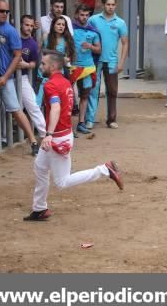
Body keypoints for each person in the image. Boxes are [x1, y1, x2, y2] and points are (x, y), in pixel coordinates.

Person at [23, 51, 123, 222]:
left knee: (62, 182)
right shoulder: (64, 82)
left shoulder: (50, 85)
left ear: (53, 66)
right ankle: (39, 208)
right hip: (63, 133)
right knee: (40, 167)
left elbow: (55, 108)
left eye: (43, 64)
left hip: (57, 136)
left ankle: (104, 170)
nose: (41, 67)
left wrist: (48, 134)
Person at [0, 0, 39, 154]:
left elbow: (18, 56)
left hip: (4, 76)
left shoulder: (11, 31)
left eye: (7, 11)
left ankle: (33, 141)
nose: (4, 14)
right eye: (1, 11)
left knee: (16, 110)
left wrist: (5, 76)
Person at [87, 0, 129, 129]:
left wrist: (121, 63)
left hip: (111, 62)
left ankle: (111, 120)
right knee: (93, 90)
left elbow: (125, 43)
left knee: (112, 91)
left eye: (113, 5)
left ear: (115, 6)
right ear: (103, 4)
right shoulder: (93, 20)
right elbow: (87, 36)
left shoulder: (120, 23)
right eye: (108, 4)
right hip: (95, 60)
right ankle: (90, 119)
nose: (110, 7)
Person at [70, 6, 101, 135]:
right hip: (72, 67)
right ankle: (67, 126)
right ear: (77, 15)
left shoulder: (93, 31)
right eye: (82, 15)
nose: (84, 17)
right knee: (68, 96)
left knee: (85, 95)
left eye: (87, 15)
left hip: (88, 68)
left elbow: (99, 50)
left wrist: (90, 46)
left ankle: (81, 123)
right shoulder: (70, 29)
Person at [17, 15, 45, 138]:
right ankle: (3, 136)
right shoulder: (14, 37)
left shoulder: (33, 44)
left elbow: (34, 63)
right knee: (3, 108)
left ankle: (45, 135)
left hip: (22, 77)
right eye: (26, 25)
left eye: (31, 26)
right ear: (20, 24)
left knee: (33, 105)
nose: (29, 28)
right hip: (6, 77)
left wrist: (25, 64)